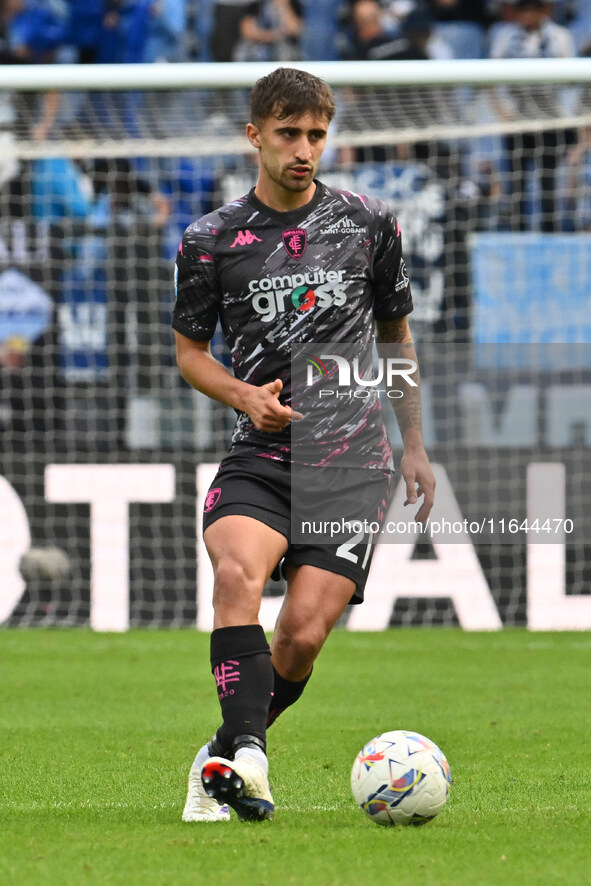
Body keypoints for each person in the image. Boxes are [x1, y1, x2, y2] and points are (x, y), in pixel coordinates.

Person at [172, 67, 435, 822]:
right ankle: (247, 756)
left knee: (301, 636)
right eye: (288, 134)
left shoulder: (367, 222)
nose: (304, 150)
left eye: (316, 135)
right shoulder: (211, 240)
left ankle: (225, 747)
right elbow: (189, 353)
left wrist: (412, 443)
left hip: (352, 463)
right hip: (259, 454)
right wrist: (244, 395)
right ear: (254, 135)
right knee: (235, 572)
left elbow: (396, 336)